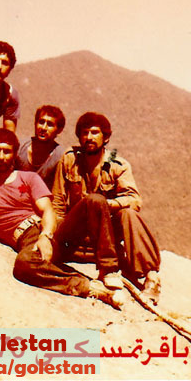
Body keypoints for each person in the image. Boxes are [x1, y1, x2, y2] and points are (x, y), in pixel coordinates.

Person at [0, 129, 127, 309]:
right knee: (25, 264)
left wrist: (45, 236)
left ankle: (108, 270)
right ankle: (91, 288)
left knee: (94, 201)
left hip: (52, 230)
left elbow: (47, 210)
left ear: (14, 154)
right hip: (26, 237)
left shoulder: (28, 178)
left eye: (7, 151)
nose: (1, 156)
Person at [52, 112, 161, 302]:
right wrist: (52, 236)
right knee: (94, 200)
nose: (89, 137)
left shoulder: (117, 164)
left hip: (104, 238)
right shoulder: (70, 159)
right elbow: (58, 200)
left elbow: (134, 200)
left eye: (95, 133)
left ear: (106, 138)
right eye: (84, 133)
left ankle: (151, 277)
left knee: (128, 214)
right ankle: (108, 269)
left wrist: (108, 205)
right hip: (75, 234)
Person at [16, 105, 66, 189]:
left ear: (59, 130)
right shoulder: (19, 147)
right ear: (35, 124)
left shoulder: (60, 157)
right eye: (41, 122)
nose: (43, 128)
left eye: (50, 124)